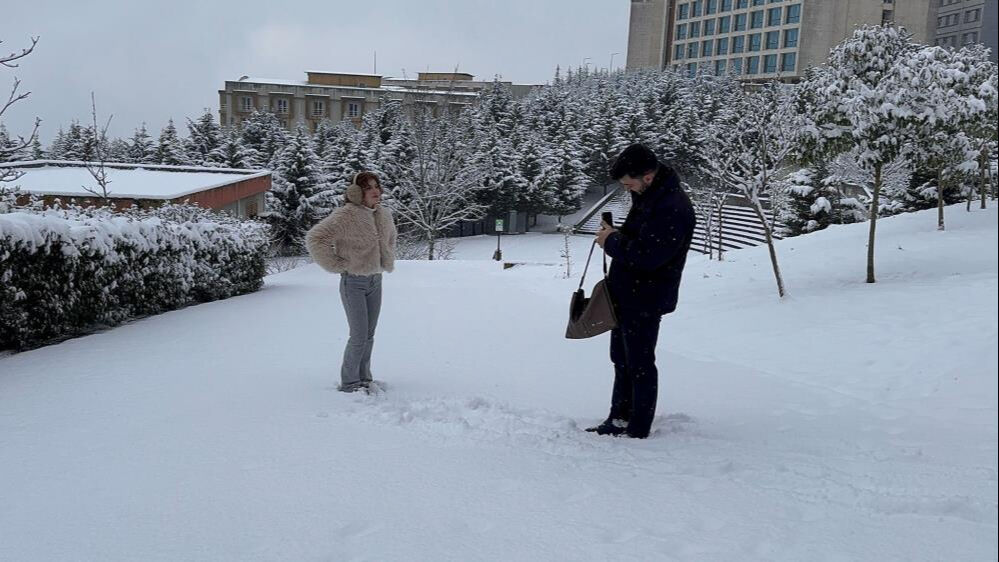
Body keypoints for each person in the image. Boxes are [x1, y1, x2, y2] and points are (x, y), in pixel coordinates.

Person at [590, 144, 696, 438]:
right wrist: (615, 235)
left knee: (639, 362)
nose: (628, 190)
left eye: (629, 184)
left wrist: (611, 241)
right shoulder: (650, 196)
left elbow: (648, 256)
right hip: (626, 292)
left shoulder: (671, 207)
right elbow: (639, 240)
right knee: (621, 358)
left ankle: (637, 428)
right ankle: (619, 418)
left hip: (645, 297)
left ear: (647, 176)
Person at [306, 171, 398, 393]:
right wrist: (337, 265)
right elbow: (315, 238)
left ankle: (365, 378)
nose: (375, 191)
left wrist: (387, 256)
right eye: (368, 188)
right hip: (353, 283)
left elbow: (392, 237)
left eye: (376, 186)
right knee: (358, 335)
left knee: (369, 334)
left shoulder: (383, 214)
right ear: (356, 193)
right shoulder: (346, 215)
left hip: (376, 280)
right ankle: (349, 383)